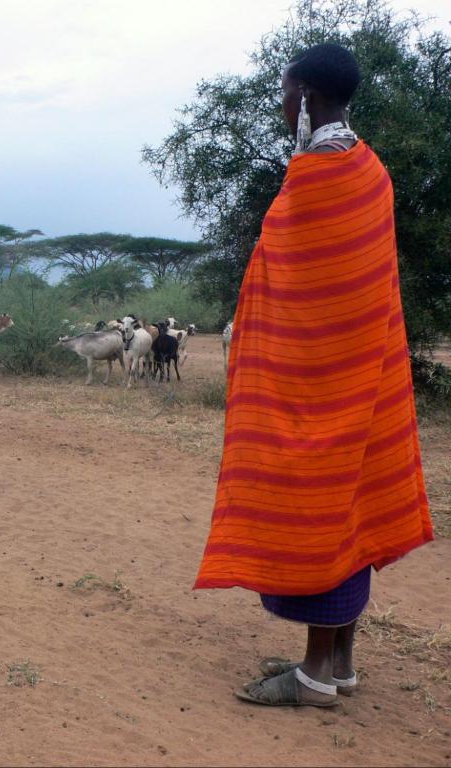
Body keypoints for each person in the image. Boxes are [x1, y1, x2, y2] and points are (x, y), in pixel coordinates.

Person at [194, 43, 433, 708]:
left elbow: (287, 283)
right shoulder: (372, 171)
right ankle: (341, 662)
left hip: (318, 383)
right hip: (367, 376)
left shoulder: (316, 175)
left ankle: (312, 676)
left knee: (321, 509)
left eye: (283, 90)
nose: (281, 102)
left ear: (303, 95)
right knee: (351, 509)